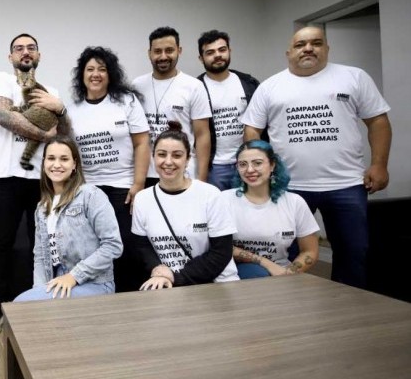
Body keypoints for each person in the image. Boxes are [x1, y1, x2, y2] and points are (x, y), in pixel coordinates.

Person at [242, 26, 392, 289]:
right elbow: (252, 129)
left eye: (316, 43)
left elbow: (378, 122)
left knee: (353, 252)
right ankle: (288, 301)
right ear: (289, 52)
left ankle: (349, 303)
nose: (308, 49)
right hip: (288, 186)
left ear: (327, 48)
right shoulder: (270, 87)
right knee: (286, 253)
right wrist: (259, 171)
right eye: (300, 45)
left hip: (346, 184)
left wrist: (379, 164)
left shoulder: (354, 78)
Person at [0, 33, 69, 337]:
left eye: (31, 48)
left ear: (39, 55)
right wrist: (44, 135)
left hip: (43, 180)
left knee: (42, 243)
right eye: (19, 49)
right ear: (11, 57)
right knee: (1, 243)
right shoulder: (1, 80)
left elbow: (64, 133)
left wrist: (61, 108)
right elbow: (2, 116)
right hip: (8, 177)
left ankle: (40, 299)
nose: (25, 52)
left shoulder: (52, 91)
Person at [68, 46, 149, 293]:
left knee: (125, 246)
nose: (96, 74)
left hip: (123, 187)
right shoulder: (73, 109)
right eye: (90, 69)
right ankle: (100, 297)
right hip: (88, 189)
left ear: (110, 74)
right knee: (94, 248)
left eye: (102, 69)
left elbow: (142, 143)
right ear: (82, 75)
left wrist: (138, 184)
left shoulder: (126, 101)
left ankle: (129, 298)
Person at [130, 121, 239, 289]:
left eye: (177, 155)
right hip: (166, 283)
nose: (168, 161)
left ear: (188, 159)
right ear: (153, 157)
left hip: (214, 282)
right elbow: (142, 248)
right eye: (162, 154)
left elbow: (221, 253)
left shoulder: (210, 194)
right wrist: (159, 272)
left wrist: (178, 277)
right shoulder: (142, 199)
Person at [14, 136, 123, 301]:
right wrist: (39, 292)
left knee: (20, 303)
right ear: (44, 163)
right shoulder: (42, 208)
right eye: (51, 158)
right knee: (27, 305)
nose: (56, 164)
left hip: (95, 283)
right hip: (58, 283)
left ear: (74, 164)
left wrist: (73, 276)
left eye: (64, 159)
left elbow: (113, 246)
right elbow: (41, 256)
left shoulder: (90, 195)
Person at [220, 140, 320, 278]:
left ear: (272, 165)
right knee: (256, 273)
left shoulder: (295, 202)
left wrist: (288, 273)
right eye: (243, 164)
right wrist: (265, 262)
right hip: (237, 272)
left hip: (282, 273)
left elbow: (310, 251)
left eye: (257, 163)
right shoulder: (224, 199)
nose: (250, 170)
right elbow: (217, 247)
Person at [132, 26, 212, 186]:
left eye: (169, 50)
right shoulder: (137, 85)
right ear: (149, 53)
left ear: (179, 51)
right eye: (157, 51)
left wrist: (202, 180)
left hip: (182, 172)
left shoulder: (194, 86)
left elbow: (202, 135)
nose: (163, 56)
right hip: (145, 173)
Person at [195, 30, 263, 190]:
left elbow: (262, 123)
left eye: (222, 50)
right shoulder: (195, 87)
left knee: (248, 204)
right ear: (201, 58)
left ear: (229, 51)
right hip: (214, 166)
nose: (217, 55)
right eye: (210, 52)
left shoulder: (249, 83)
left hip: (246, 163)